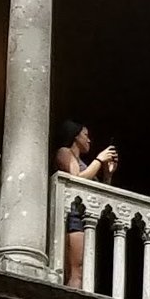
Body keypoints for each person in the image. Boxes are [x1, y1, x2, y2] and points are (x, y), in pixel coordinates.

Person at [55, 120, 118, 286]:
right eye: (86, 135)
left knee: (83, 271)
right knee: (77, 271)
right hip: (73, 217)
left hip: (85, 219)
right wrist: (98, 160)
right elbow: (76, 178)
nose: (89, 140)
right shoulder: (64, 152)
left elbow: (100, 195)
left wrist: (107, 174)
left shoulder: (84, 163)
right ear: (75, 136)